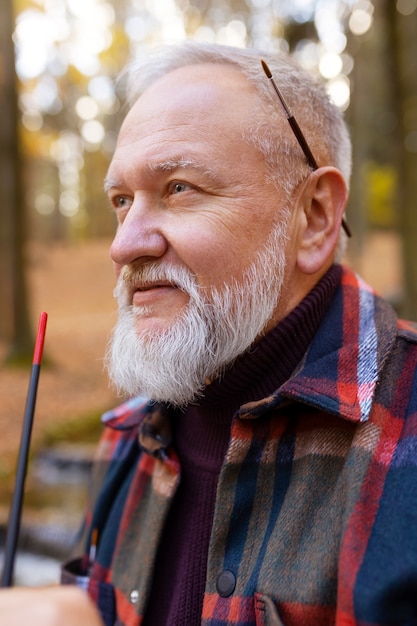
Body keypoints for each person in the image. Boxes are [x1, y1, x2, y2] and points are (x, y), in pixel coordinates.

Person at [2, 41, 417, 625]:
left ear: (316, 217)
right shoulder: (128, 438)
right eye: (122, 201)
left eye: (178, 188)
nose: (124, 245)